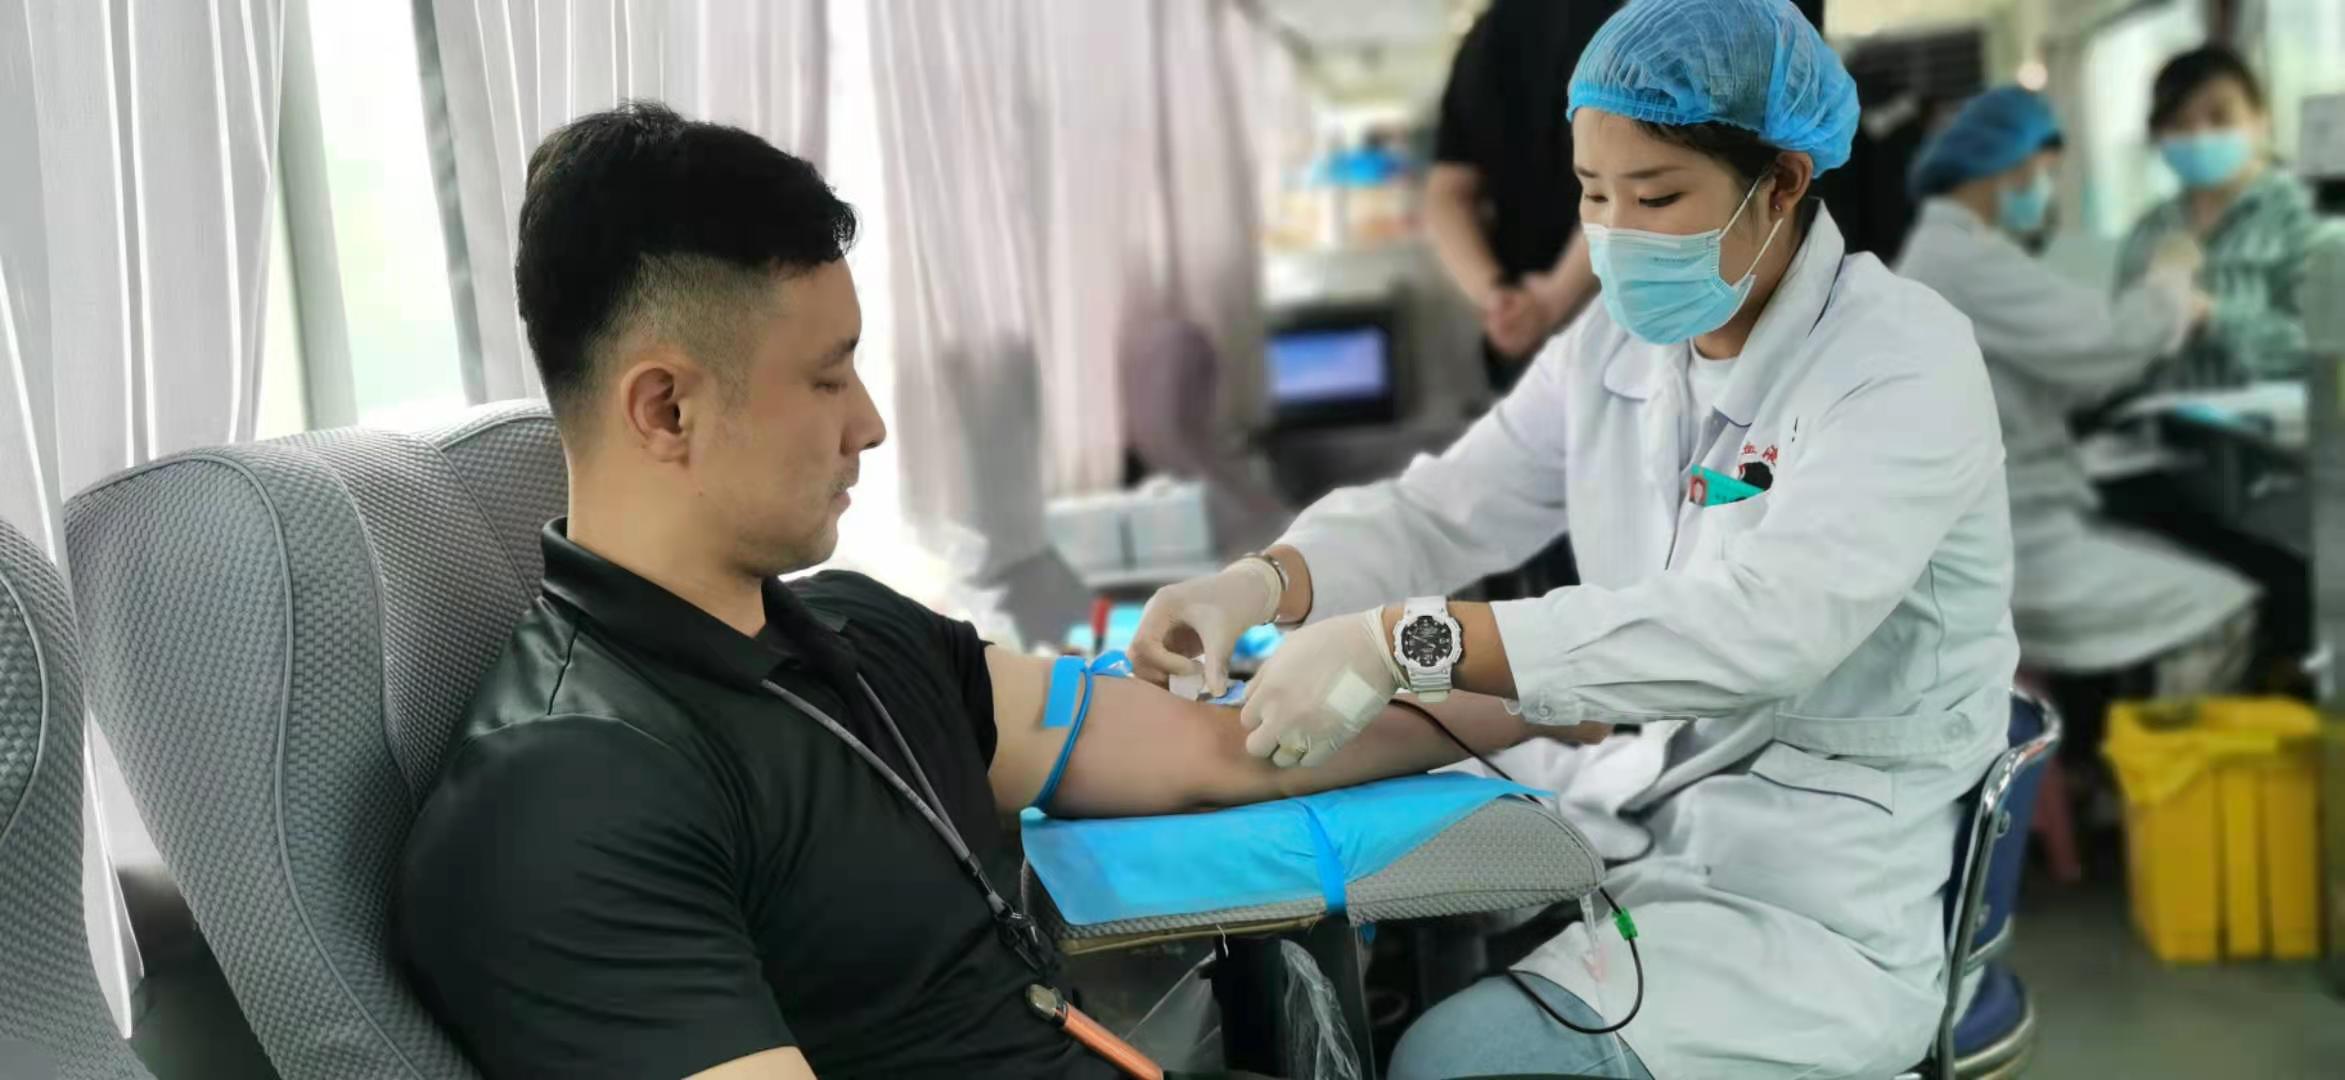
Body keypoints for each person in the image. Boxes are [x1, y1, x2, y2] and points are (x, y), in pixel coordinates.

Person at [393, 103, 1571, 1080]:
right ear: (665, 409)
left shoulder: (859, 637)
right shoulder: (570, 794)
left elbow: (1225, 749)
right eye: (826, 379)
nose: (869, 424)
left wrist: (1551, 686)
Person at [1132, 1, 2016, 1076]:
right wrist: (1261, 583)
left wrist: (1401, 643)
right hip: (1650, 813)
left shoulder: (1898, 360)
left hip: (1818, 892)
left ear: (1782, 182)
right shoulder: (1614, 347)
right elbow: (1443, 506)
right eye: (1592, 194)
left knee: (1454, 1060)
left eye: (1655, 197)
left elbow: (1765, 628)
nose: (1615, 233)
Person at [1896, 86, 2258, 697]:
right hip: (2012, 543)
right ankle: (2161, 754)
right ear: (2008, 167)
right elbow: (2101, 342)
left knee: (2168, 550)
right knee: (2223, 605)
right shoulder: (1962, 260)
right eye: (2042, 174)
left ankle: (2112, 739)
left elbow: (2058, 369)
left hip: (1997, 526)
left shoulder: (1949, 252)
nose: (2044, 191)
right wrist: (2171, 286)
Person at [1425, 0, 1622, 393]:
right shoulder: (1647, 23)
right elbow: (1635, 186)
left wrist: (1497, 297)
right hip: (1620, 328)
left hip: (1527, 345)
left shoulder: (1487, 33)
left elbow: (1447, 195)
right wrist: (1551, 298)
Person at [2116, 45, 2334, 389]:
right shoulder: (2149, 229)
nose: (2199, 136)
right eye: (2179, 124)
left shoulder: (2306, 217)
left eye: (2220, 118)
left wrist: (2212, 316)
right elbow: (2120, 354)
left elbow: (2326, 349)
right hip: (2158, 416)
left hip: (2273, 420)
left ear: (2261, 120)